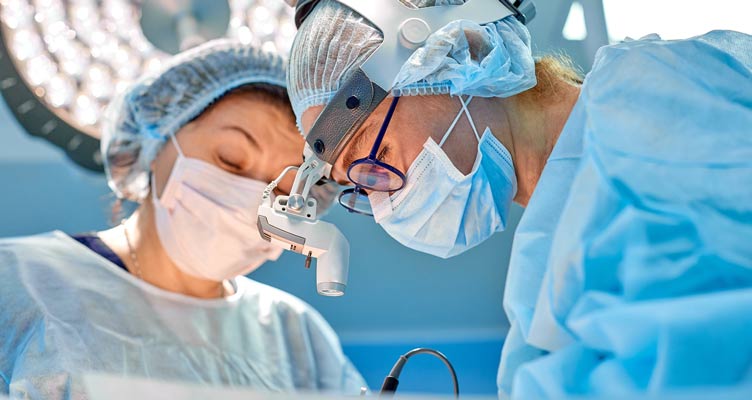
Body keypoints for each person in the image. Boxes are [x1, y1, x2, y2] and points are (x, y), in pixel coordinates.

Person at [285, 0, 752, 398]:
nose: (384, 202)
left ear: (462, 49)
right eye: (361, 185)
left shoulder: (655, 98)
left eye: (375, 152)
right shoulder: (543, 265)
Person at [0, 39, 365, 399]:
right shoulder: (17, 280)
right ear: (157, 143)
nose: (256, 198)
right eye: (231, 160)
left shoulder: (296, 336)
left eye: (285, 193)